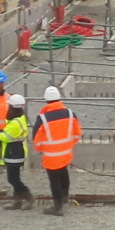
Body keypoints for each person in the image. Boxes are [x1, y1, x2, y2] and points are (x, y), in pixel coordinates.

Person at [32, 85, 81, 216]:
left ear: (46, 100)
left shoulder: (42, 118)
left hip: (50, 155)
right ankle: (65, 196)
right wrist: (68, 145)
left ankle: (57, 206)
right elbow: (77, 133)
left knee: (54, 180)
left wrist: (41, 150)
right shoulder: (70, 114)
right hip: (66, 152)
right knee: (63, 172)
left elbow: (36, 138)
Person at [0, 94, 33, 210]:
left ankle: (28, 196)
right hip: (17, 151)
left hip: (14, 152)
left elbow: (4, 137)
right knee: (15, 176)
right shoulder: (20, 119)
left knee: (12, 178)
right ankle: (17, 200)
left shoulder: (14, 123)